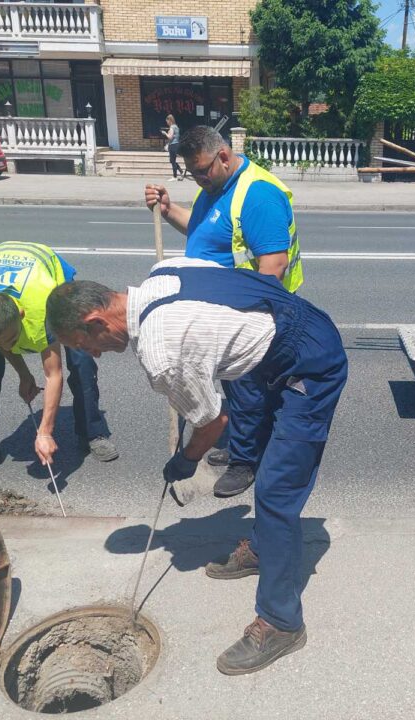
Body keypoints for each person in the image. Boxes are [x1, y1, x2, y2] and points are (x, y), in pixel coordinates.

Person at [45, 258, 347, 675]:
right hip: (274, 346)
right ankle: (264, 549)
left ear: (95, 320)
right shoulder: (163, 271)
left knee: (276, 491)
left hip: (310, 362)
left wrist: (184, 461)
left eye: (83, 345)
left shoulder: (161, 353)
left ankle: (281, 623)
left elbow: (213, 424)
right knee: (259, 456)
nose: (91, 354)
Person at [144, 125, 304, 499]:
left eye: (202, 170)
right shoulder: (216, 188)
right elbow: (205, 234)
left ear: (224, 156)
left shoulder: (258, 196)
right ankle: (241, 443)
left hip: (250, 313)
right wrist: (168, 210)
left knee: (246, 387)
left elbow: (274, 266)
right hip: (227, 308)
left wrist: (247, 320)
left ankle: (245, 460)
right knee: (237, 385)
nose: (198, 179)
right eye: (192, 173)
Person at [0, 241, 118, 484]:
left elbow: (53, 374)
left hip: (51, 279)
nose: (9, 347)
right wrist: (23, 374)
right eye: (3, 341)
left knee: (81, 356)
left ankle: (91, 432)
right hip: (0, 269)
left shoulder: (42, 306)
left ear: (21, 315)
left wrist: (44, 432)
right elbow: (2, 341)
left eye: (13, 338)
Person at [162, 114, 182, 181]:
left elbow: (170, 137)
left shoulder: (172, 127)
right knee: (172, 160)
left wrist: (165, 133)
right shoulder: (176, 127)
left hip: (172, 145)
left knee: (172, 161)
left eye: (167, 121)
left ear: (170, 120)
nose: (167, 123)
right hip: (176, 144)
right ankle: (179, 169)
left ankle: (175, 176)